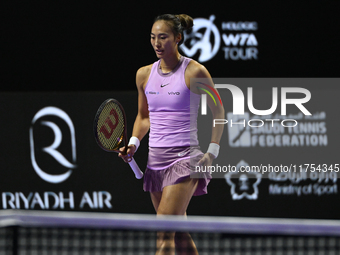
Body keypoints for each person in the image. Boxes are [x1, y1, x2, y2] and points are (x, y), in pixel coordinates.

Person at [119, 14, 225, 255]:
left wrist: (212, 152)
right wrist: (134, 143)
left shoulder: (195, 72)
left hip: (185, 159)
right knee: (179, 234)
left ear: (178, 38)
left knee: (164, 232)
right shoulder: (143, 75)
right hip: (155, 161)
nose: (157, 43)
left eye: (163, 37)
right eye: (153, 38)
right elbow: (144, 117)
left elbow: (218, 110)